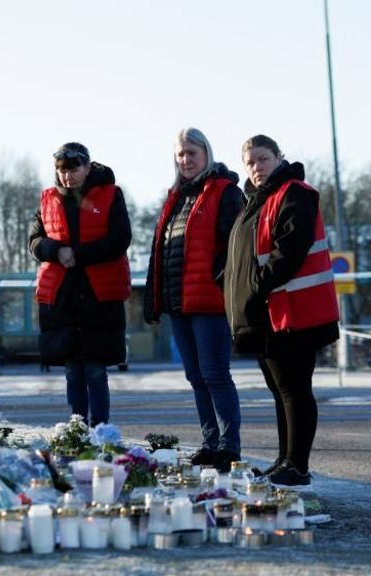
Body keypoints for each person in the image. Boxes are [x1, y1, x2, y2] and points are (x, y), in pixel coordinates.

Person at [225, 135, 339, 487]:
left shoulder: (294, 192)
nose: (256, 167)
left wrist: (255, 285)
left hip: (293, 313)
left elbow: (289, 250)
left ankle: (298, 465)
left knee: (294, 389)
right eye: (250, 162)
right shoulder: (254, 202)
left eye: (263, 159)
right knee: (280, 390)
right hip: (266, 314)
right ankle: (284, 460)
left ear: (278, 158)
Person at [144, 128, 244, 473]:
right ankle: (209, 442)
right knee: (196, 377)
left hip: (210, 303)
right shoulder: (175, 197)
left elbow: (236, 245)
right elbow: (161, 253)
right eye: (181, 154)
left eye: (192, 153)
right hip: (179, 303)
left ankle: (229, 447)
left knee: (216, 374)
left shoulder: (225, 191)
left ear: (206, 153)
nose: (185, 159)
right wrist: (154, 300)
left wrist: (220, 279)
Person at [30, 143, 131, 426]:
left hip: (99, 296)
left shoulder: (111, 195)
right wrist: (55, 251)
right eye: (61, 170)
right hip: (62, 297)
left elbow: (120, 238)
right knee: (73, 371)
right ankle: (77, 428)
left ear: (87, 167)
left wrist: (79, 254)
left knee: (96, 370)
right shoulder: (47, 199)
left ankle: (100, 428)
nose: (67, 176)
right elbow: (34, 240)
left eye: (73, 169)